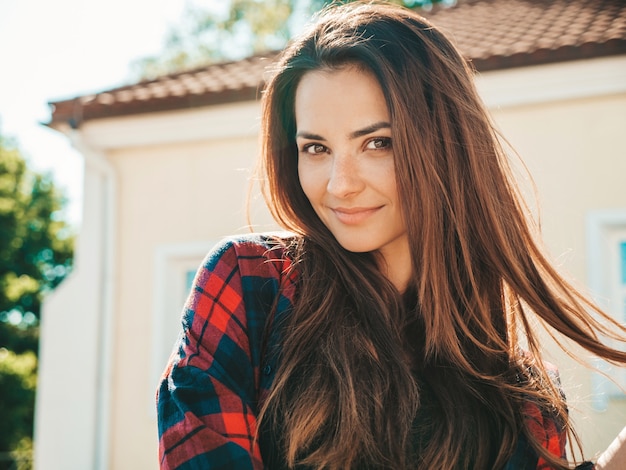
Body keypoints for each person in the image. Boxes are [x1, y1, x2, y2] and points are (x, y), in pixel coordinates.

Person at [156, 2, 626, 469]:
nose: (340, 183)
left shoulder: (520, 391)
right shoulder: (251, 282)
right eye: (315, 148)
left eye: (378, 143)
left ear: (445, 146)